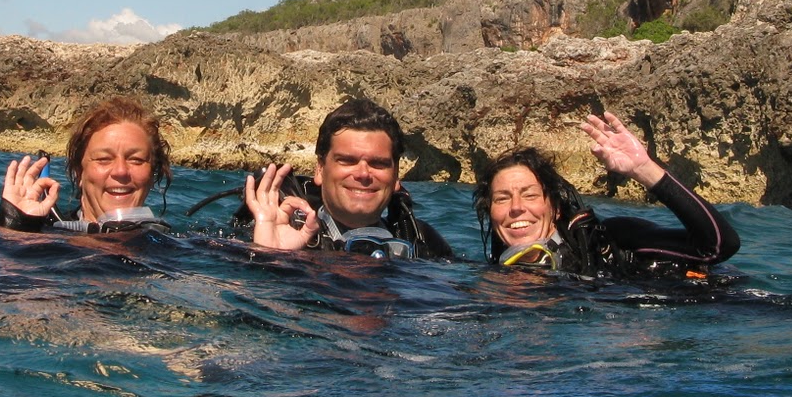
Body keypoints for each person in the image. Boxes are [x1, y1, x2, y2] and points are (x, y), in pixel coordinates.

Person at [472, 111, 738, 277]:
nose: (516, 207)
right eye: (502, 198)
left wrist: (644, 170)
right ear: (490, 212)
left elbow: (717, 247)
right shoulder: (493, 280)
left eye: (530, 195)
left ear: (555, 208)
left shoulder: (610, 243)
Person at [240, 97, 454, 260]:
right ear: (320, 170)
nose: (363, 174)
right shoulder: (277, 233)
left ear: (396, 176)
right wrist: (268, 256)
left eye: (378, 163)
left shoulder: (424, 245)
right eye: (347, 161)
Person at [0, 96, 172, 233]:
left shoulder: (173, 250)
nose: (120, 171)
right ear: (79, 172)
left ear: (152, 173)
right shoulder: (46, 236)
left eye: (136, 160)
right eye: (103, 159)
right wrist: (13, 225)